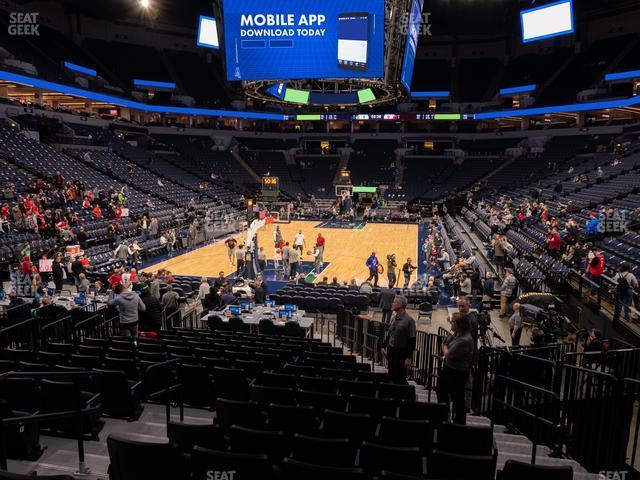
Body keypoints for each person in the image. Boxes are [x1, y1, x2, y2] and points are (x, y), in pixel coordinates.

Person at [438, 312, 474, 424]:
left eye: (453, 321)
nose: (451, 323)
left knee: (458, 399)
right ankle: (444, 417)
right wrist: (445, 346)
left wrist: (444, 346)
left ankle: (459, 423)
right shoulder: (456, 333)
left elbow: (448, 353)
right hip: (449, 369)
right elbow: (446, 346)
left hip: (457, 372)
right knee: (442, 393)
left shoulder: (464, 340)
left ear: (460, 324)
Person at [382, 295, 416, 384]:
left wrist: (409, 358)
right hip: (391, 351)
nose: (392, 303)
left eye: (394, 302)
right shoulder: (394, 317)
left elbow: (412, 340)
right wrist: (383, 346)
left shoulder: (410, 321)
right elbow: (390, 333)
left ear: (401, 305)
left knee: (400, 377)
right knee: (391, 374)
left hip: (401, 353)